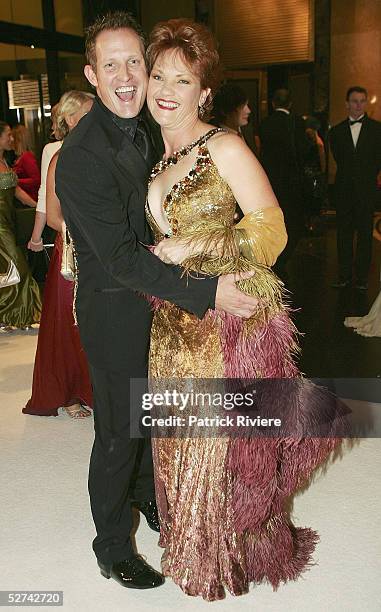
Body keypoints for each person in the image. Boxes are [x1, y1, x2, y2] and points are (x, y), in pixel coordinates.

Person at [54, 11, 258, 591]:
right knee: (119, 432)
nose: (126, 76)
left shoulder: (148, 122)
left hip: (160, 307)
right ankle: (111, 543)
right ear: (92, 76)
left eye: (134, 62)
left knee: (156, 418)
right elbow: (121, 258)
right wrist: (209, 290)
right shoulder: (81, 157)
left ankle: (150, 498)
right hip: (117, 309)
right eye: (110, 64)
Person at [145, 18, 344, 601]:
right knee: (179, 440)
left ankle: (225, 558)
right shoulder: (157, 156)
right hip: (176, 317)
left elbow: (272, 230)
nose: (165, 89)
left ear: (204, 91)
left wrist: (195, 246)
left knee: (222, 450)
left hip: (227, 317)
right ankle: (190, 545)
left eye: (181, 80)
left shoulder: (222, 145)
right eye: (159, 75)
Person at [23, 91, 94, 419]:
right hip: (72, 250)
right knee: (69, 321)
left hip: (100, 249)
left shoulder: (101, 152)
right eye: (88, 113)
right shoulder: (58, 155)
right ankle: (69, 392)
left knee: (96, 321)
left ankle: (93, 388)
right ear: (69, 119)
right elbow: (52, 214)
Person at [329, 86, 381, 290]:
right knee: (343, 235)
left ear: (366, 103)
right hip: (343, 191)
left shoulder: (378, 130)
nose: (358, 105)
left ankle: (361, 278)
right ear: (347, 104)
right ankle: (343, 276)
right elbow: (339, 158)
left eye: (362, 101)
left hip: (367, 191)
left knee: (365, 236)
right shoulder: (337, 131)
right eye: (354, 101)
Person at [258, 89, 309, 277]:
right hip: (293, 180)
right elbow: (303, 151)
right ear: (290, 104)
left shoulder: (265, 124)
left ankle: (274, 259)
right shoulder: (297, 123)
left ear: (273, 104)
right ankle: (283, 258)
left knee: (274, 220)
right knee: (293, 222)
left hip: (271, 181)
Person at [0, 121, 41, 331]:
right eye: (8, 135)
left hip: (9, 222)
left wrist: (39, 207)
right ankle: (20, 313)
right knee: (18, 266)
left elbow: (16, 192)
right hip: (0, 227)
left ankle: (11, 315)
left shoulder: (5, 162)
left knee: (9, 270)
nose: (12, 139)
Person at [27, 104, 62, 252]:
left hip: (66, 227)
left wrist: (36, 238)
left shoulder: (52, 149)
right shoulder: (52, 150)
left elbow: (44, 196)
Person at [12, 124, 41, 202]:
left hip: (30, 200)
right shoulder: (21, 157)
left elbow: (36, 180)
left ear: (18, 139)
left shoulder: (26, 157)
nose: (10, 140)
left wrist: (16, 181)